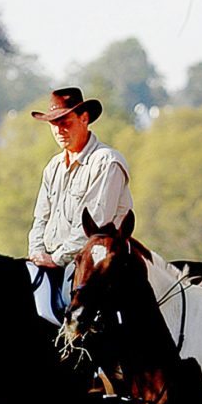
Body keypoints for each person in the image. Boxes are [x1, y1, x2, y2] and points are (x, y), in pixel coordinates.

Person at [28, 87, 133, 271]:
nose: (59, 130)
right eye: (54, 124)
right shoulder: (54, 166)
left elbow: (94, 228)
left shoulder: (106, 162)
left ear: (84, 119)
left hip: (95, 266)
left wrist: (55, 260)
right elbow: (40, 219)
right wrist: (37, 254)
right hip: (52, 260)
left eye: (65, 122)